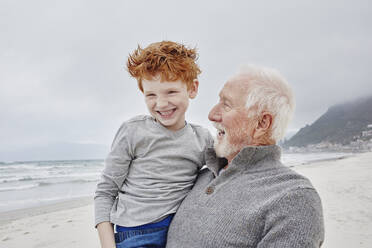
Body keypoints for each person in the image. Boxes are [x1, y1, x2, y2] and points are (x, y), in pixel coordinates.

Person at [166, 65, 325, 247]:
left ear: (262, 123)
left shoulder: (294, 198)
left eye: (226, 104)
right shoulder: (201, 175)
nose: (211, 115)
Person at [94, 41, 212, 248]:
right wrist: (107, 245)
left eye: (171, 92)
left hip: (182, 231)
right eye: (151, 95)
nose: (161, 103)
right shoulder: (134, 131)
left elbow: (227, 172)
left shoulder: (202, 139)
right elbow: (106, 191)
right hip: (135, 234)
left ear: (192, 88)